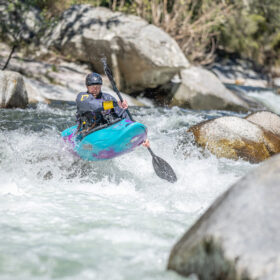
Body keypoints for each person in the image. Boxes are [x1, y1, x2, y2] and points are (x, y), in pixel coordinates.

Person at [76, 72, 150, 147]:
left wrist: (140, 136)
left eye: (97, 86)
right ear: (87, 86)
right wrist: (114, 104)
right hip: (87, 133)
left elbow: (123, 115)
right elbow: (94, 106)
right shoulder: (82, 97)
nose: (95, 89)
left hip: (107, 131)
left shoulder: (108, 98)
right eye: (92, 87)